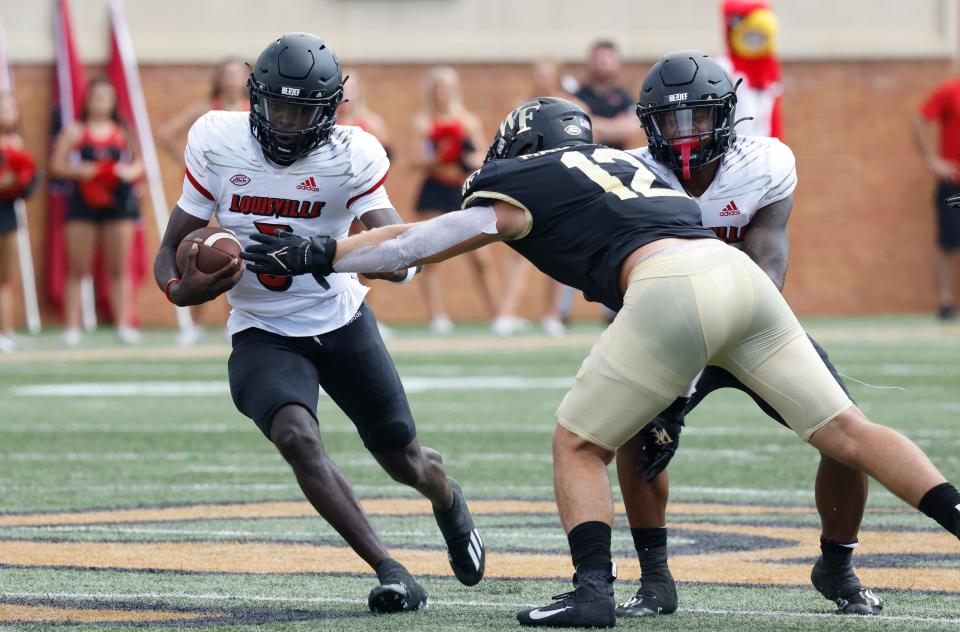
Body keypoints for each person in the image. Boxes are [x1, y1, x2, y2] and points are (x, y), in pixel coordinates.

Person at [244, 96, 960, 628]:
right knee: (849, 432)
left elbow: (419, 242)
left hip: (669, 288)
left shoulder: (524, 181)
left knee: (579, 442)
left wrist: (317, 253)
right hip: (735, 275)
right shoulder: (624, 165)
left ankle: (591, 592)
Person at [153, 33, 485, 614]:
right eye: (275, 106)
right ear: (255, 99)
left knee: (404, 458)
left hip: (340, 317)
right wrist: (185, 290)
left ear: (329, 111)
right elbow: (168, 256)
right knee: (295, 436)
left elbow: (403, 253)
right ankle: (390, 568)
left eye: (300, 110)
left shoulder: (350, 153)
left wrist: (327, 250)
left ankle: (448, 500)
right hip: (261, 326)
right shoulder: (217, 139)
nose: (284, 122)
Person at [611, 50, 880, 619]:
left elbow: (767, 268)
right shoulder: (630, 174)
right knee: (634, 438)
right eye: (671, 121)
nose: (685, 134)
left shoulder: (764, 163)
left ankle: (837, 565)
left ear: (727, 115)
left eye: (699, 118)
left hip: (754, 319)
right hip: (666, 325)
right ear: (648, 124)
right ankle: (655, 580)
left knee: (848, 437)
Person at [159, 57, 249, 346]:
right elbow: (166, 134)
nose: (232, 81)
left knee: (237, 254)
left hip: (245, 192)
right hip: (212, 190)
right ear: (219, 78)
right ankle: (194, 324)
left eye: (238, 75)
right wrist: (191, 163)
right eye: (228, 75)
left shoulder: (255, 108)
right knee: (202, 250)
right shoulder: (207, 109)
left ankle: (234, 319)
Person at [50, 78, 144, 346]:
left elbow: (138, 163)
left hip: (118, 202)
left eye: (106, 96)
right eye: (95, 96)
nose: (100, 101)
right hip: (83, 202)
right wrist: (80, 171)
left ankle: (123, 325)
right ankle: (71, 326)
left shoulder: (122, 130)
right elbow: (56, 165)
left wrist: (127, 172)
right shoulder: (75, 130)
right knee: (77, 267)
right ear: (87, 100)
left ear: (114, 101)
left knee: (118, 267)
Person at [411, 66, 497, 334]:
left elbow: (484, 155)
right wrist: (437, 157)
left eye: (446, 88)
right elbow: (415, 160)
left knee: (482, 257)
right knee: (429, 253)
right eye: (437, 89)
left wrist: (468, 157)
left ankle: (499, 315)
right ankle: (437, 316)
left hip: (460, 188)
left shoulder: (467, 121)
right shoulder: (423, 122)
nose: (442, 94)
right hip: (434, 188)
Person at [493, 60, 570, 337]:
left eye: (548, 74)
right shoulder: (521, 107)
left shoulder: (571, 106)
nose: (542, 79)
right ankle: (507, 312)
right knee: (518, 249)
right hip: (527, 183)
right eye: (538, 74)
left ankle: (552, 315)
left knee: (559, 249)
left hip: (561, 183)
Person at [913, 74, 960, 320]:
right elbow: (921, 119)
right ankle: (945, 300)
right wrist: (932, 160)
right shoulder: (951, 91)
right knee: (948, 242)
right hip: (954, 185)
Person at [0, 93, 37, 352]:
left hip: (8, 211)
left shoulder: (18, 142)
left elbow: (23, 181)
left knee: (6, 275)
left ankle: (6, 330)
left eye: (11, 108)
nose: (7, 113)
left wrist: (27, 182)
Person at [573, 41, 638, 150]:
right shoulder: (576, 97)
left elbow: (632, 129)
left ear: (618, 63)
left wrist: (592, 124)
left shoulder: (625, 97)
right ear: (589, 62)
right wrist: (615, 126)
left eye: (607, 57)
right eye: (598, 57)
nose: (602, 62)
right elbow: (574, 127)